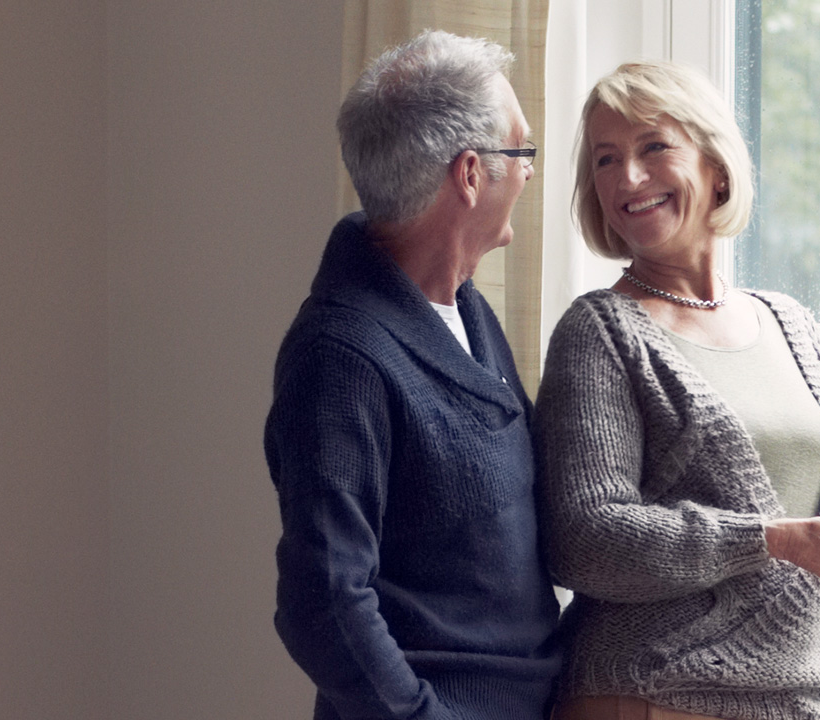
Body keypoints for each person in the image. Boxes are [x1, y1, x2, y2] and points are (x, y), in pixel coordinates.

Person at [536, 59, 820, 720]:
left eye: (654, 146)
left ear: (716, 164)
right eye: (605, 159)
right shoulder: (601, 333)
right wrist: (774, 538)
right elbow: (584, 538)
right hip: (653, 695)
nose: (628, 177)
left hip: (804, 695)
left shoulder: (788, 322)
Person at [263, 29, 561, 720]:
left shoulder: (468, 312)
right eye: (521, 152)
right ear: (469, 174)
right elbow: (322, 600)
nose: (529, 172)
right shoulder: (341, 358)